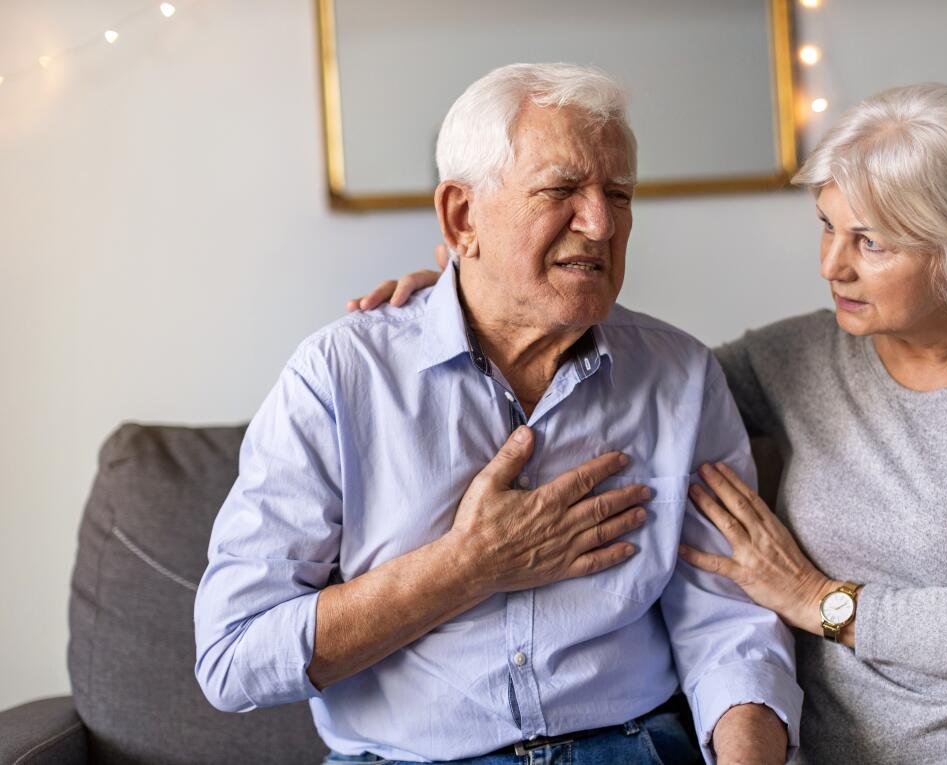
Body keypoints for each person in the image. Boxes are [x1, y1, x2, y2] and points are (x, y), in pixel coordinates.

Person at [359, 83, 947, 764]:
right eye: (828, 226)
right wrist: (479, 294)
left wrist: (818, 599)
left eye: (868, 241)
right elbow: (628, 380)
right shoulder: (800, 354)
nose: (831, 264)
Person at [194, 63, 800, 765]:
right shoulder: (339, 376)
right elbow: (233, 656)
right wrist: (466, 566)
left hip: (632, 748)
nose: (600, 223)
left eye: (619, 194)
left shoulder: (682, 376)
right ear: (461, 216)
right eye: (561, 190)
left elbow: (728, 625)